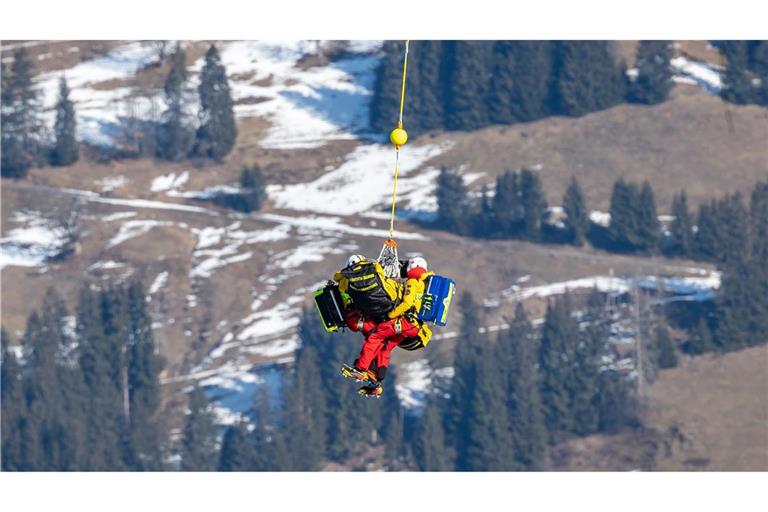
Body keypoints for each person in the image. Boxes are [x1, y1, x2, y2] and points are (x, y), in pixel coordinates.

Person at [341, 256, 433, 397]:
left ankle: (360, 369)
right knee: (386, 346)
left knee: (375, 336)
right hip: (415, 326)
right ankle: (376, 382)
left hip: (405, 322)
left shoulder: (413, 282)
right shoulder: (425, 284)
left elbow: (407, 303)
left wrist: (391, 315)